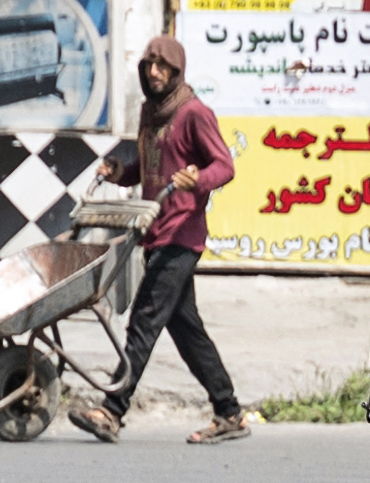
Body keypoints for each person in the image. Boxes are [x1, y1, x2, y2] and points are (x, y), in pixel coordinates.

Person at [70, 35, 249, 446]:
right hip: (155, 231)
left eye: (162, 66)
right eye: (149, 65)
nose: (154, 73)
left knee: (145, 320)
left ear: (177, 70)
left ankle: (111, 411)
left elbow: (224, 165)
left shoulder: (193, 113)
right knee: (187, 331)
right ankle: (229, 412)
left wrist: (198, 179)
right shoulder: (151, 114)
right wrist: (120, 173)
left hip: (182, 234)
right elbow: (149, 168)